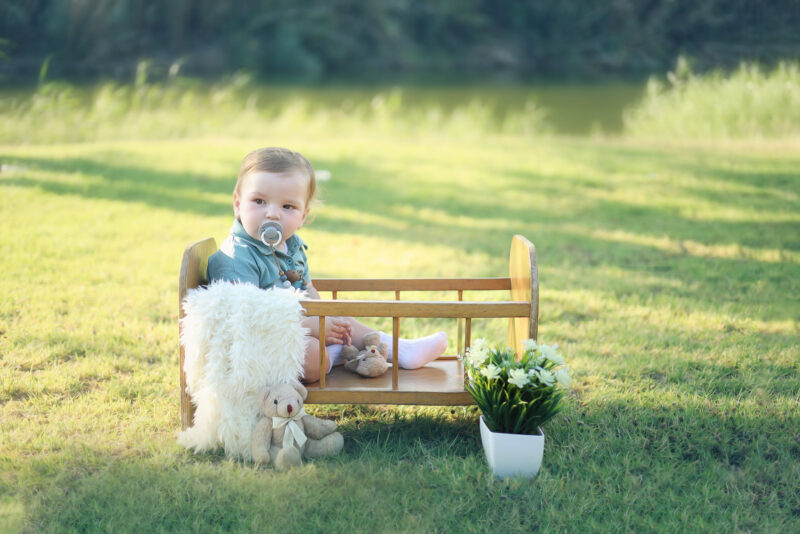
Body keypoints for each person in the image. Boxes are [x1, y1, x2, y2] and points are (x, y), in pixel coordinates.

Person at [207, 147, 447, 382]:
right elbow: (249, 318)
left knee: (339, 315)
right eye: (259, 201)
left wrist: (325, 319)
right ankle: (340, 355)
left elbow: (307, 290)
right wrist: (314, 326)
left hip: (297, 328)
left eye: (287, 206)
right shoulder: (237, 257)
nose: (273, 214)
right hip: (257, 343)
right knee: (311, 356)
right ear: (238, 204)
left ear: (303, 215)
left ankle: (399, 349)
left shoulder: (290, 246)